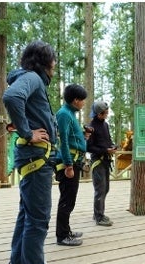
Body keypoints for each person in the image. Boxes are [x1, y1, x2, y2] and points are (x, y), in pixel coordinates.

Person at [2, 40, 65, 264]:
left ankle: (19, 262)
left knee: (27, 212)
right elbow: (12, 97)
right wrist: (28, 133)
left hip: (32, 157)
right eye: (53, 61)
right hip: (35, 157)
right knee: (38, 218)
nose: (55, 66)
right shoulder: (33, 78)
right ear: (46, 61)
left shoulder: (28, 78)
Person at [53, 84, 89, 246]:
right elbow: (64, 141)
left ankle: (66, 230)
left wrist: (84, 136)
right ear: (75, 100)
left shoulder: (70, 114)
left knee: (70, 199)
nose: (84, 103)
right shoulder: (64, 114)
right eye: (82, 100)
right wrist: (68, 165)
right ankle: (62, 236)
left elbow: (72, 137)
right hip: (69, 163)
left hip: (74, 161)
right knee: (67, 200)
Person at [87, 101, 117, 226]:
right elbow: (88, 147)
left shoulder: (105, 125)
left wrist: (112, 146)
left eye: (107, 112)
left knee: (106, 188)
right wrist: (105, 150)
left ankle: (97, 213)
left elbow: (108, 140)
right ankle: (99, 217)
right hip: (97, 161)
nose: (107, 114)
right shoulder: (91, 127)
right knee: (100, 189)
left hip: (106, 160)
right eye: (104, 112)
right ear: (98, 113)